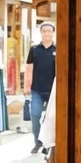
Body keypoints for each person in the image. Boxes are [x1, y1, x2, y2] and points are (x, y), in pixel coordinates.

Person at [25, 22, 56, 155]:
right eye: (44, 31)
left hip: (53, 90)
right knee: (35, 115)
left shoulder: (58, 49)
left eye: (49, 31)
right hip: (37, 89)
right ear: (41, 33)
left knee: (51, 117)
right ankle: (37, 141)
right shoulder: (34, 49)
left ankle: (49, 144)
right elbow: (29, 68)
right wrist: (27, 86)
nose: (47, 34)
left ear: (53, 33)